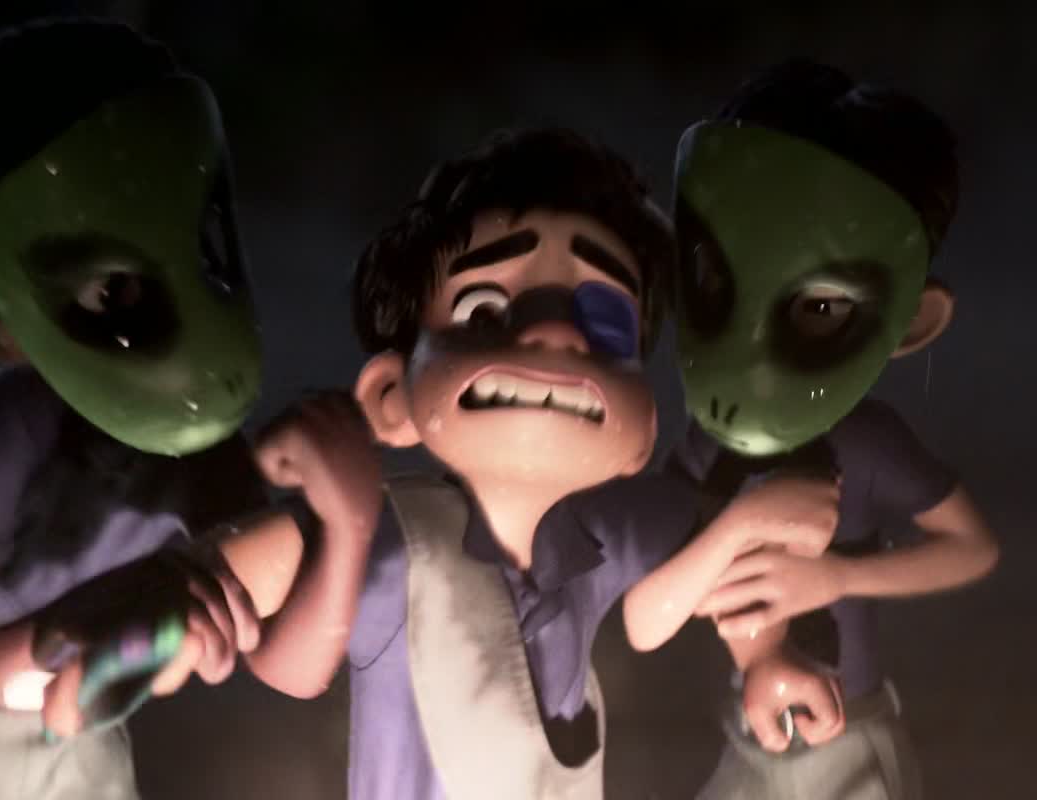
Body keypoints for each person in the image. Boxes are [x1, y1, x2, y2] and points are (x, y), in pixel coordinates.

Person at [0, 18, 378, 799]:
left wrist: (346, 520)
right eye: (112, 290)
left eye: (204, 252)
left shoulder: (200, 443)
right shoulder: (7, 433)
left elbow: (289, 664)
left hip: (92, 738)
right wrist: (73, 623)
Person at [314, 127, 846, 800]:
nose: (556, 333)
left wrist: (764, 652)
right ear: (390, 397)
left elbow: (711, 556)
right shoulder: (393, 549)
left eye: (605, 323)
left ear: (642, 431)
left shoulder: (603, 534)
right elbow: (251, 587)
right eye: (485, 313)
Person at [640, 59, 1003, 799]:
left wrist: (839, 577)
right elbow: (651, 610)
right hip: (750, 735)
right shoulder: (706, 450)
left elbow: (973, 549)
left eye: (820, 309)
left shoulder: (864, 444)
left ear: (909, 324)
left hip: (850, 732)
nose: (750, 355)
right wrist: (739, 531)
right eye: (711, 280)